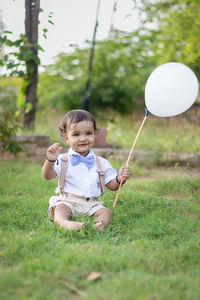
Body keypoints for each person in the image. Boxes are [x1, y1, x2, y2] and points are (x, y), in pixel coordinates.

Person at [42, 109, 130, 231]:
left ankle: (98, 225)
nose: (83, 138)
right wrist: (50, 160)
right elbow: (47, 175)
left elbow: (112, 185)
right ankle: (65, 223)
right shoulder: (62, 159)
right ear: (66, 138)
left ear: (95, 134)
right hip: (68, 200)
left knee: (107, 212)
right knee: (60, 209)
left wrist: (120, 178)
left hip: (91, 203)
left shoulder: (101, 162)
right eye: (76, 134)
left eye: (88, 133)